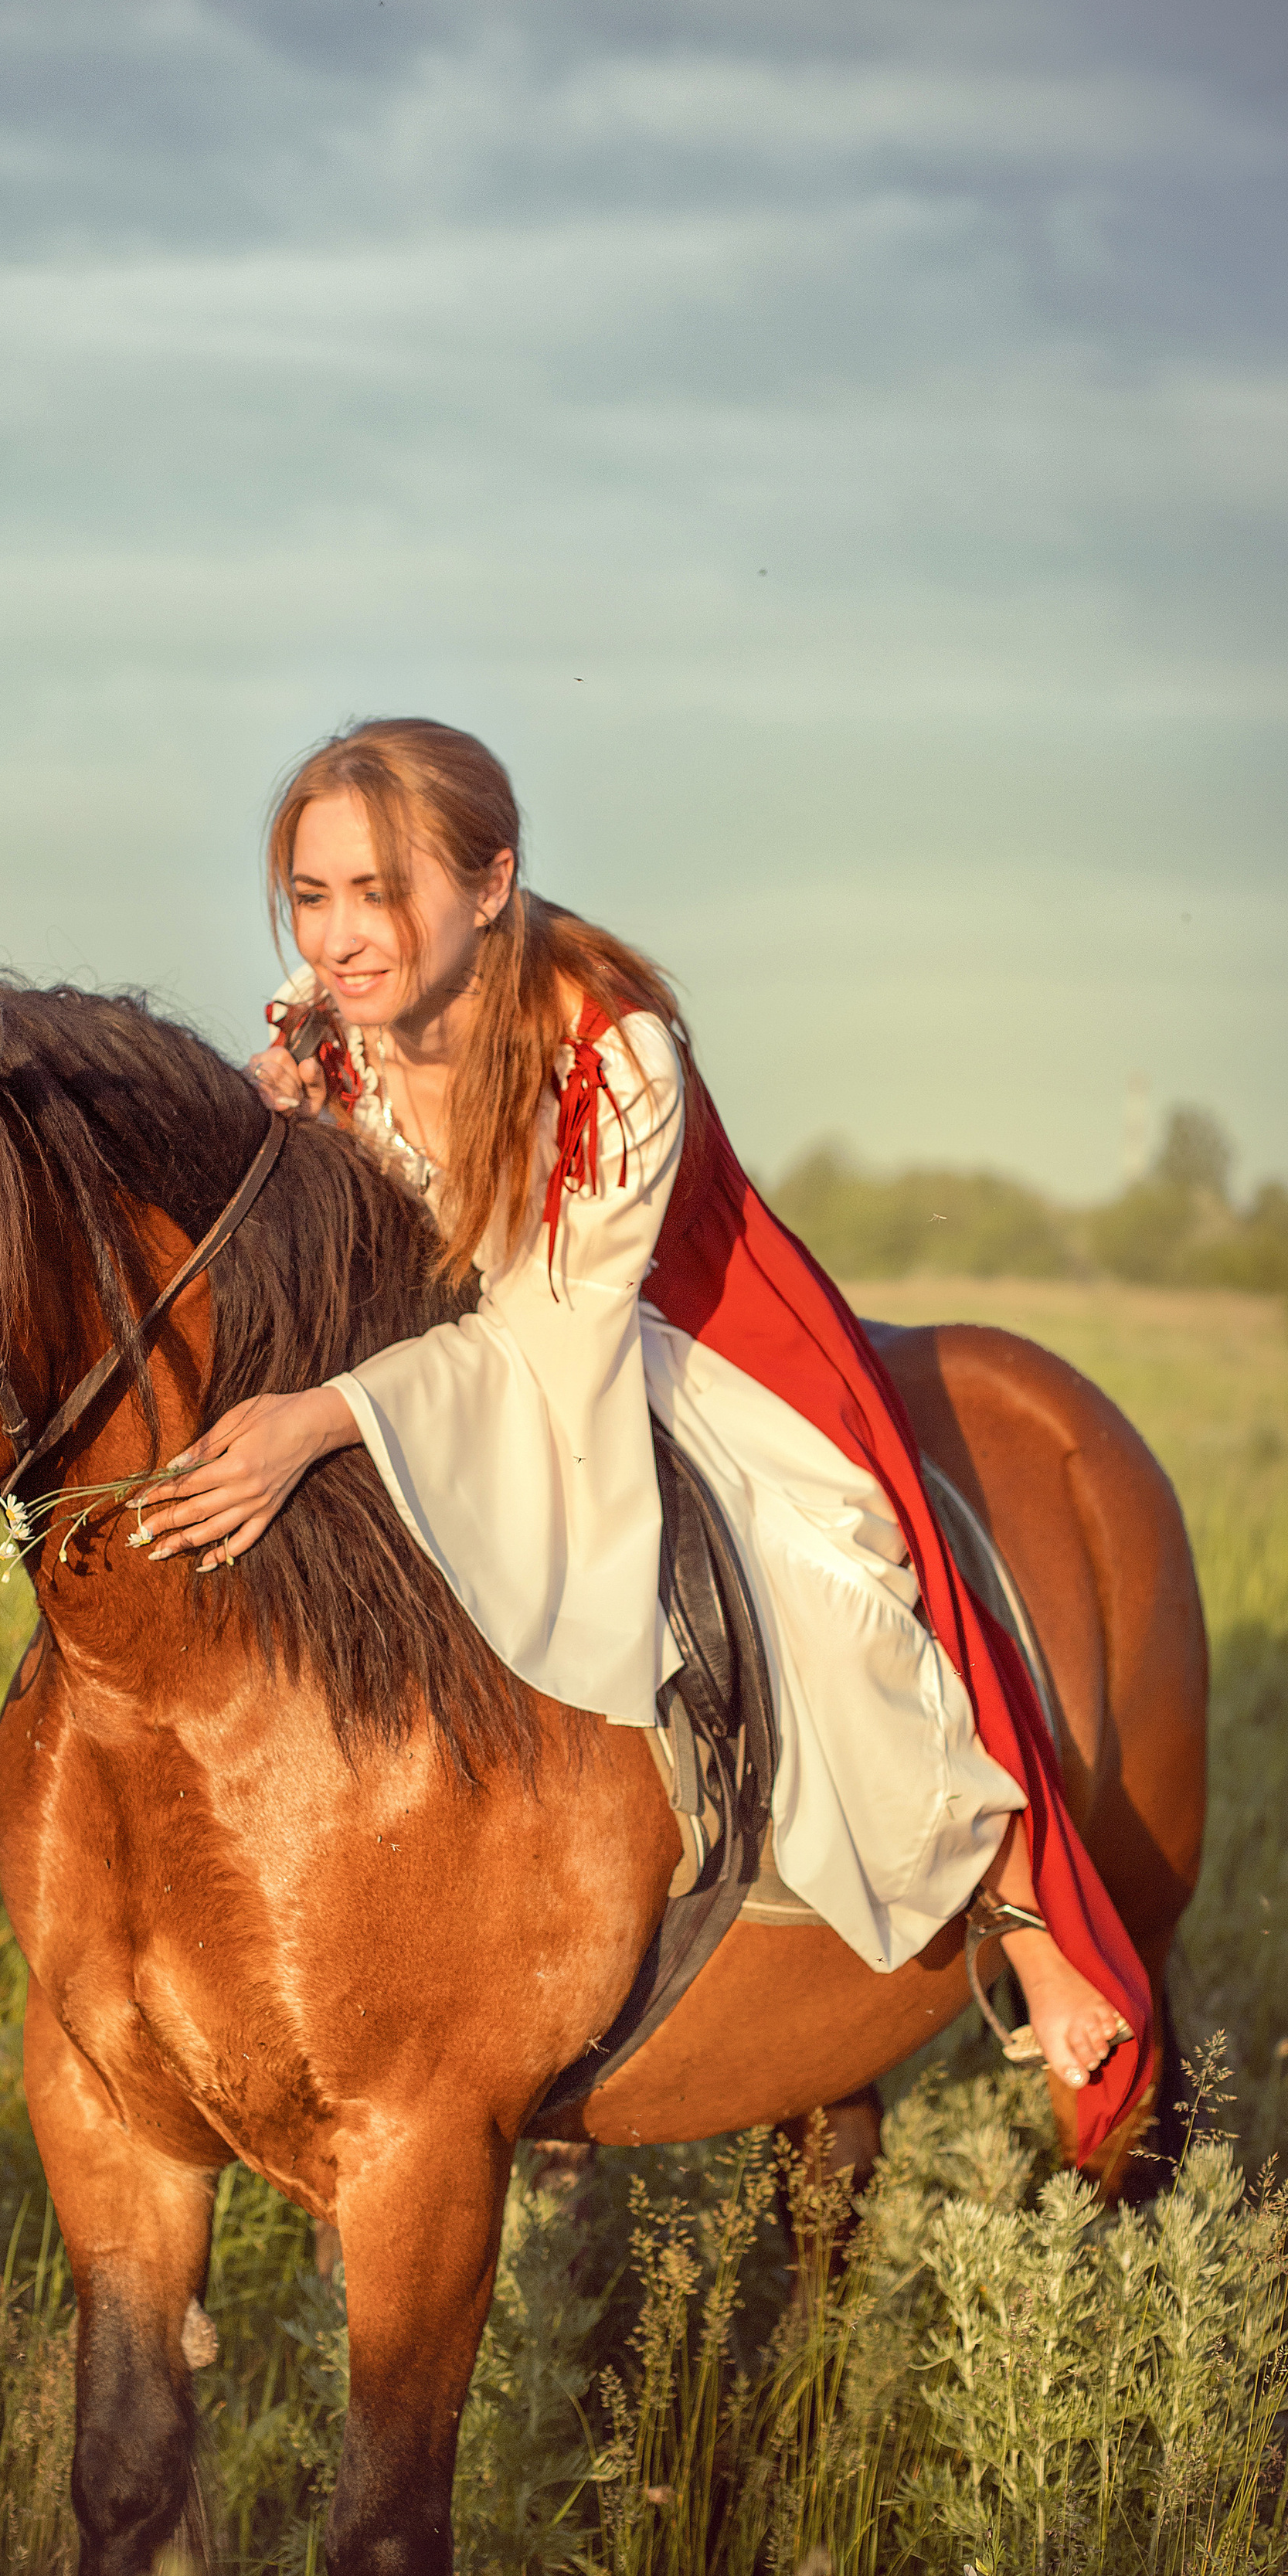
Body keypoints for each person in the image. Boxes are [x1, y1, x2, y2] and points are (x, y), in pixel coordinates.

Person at [131, 718, 1141, 2105]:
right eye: (313, 896)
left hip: (647, 1331)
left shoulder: (617, 1053)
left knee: (825, 1576)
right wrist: (285, 1137)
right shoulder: (329, 1023)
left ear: (492, 882)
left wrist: (319, 1419)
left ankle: (1015, 1905)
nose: (341, 936)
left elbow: (557, 1327)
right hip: (435, 1341)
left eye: (383, 892)